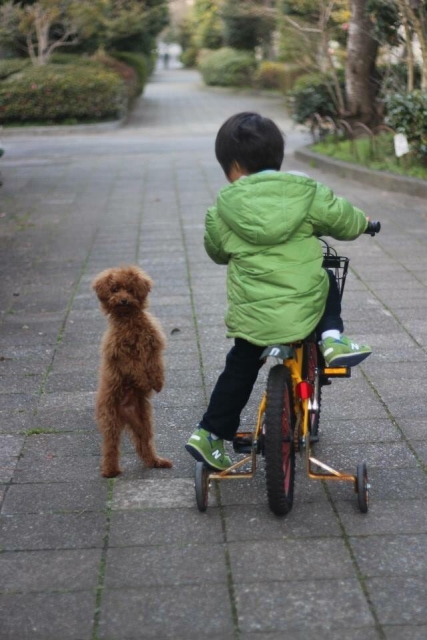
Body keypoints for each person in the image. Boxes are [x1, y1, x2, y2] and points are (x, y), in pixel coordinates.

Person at [185, 112, 371, 471]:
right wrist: (364, 222)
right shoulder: (306, 193)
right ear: (277, 157)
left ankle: (208, 433)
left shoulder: (222, 210)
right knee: (325, 276)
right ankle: (332, 338)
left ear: (233, 166)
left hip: (254, 314)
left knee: (240, 366)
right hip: (306, 305)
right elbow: (345, 221)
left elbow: (217, 252)